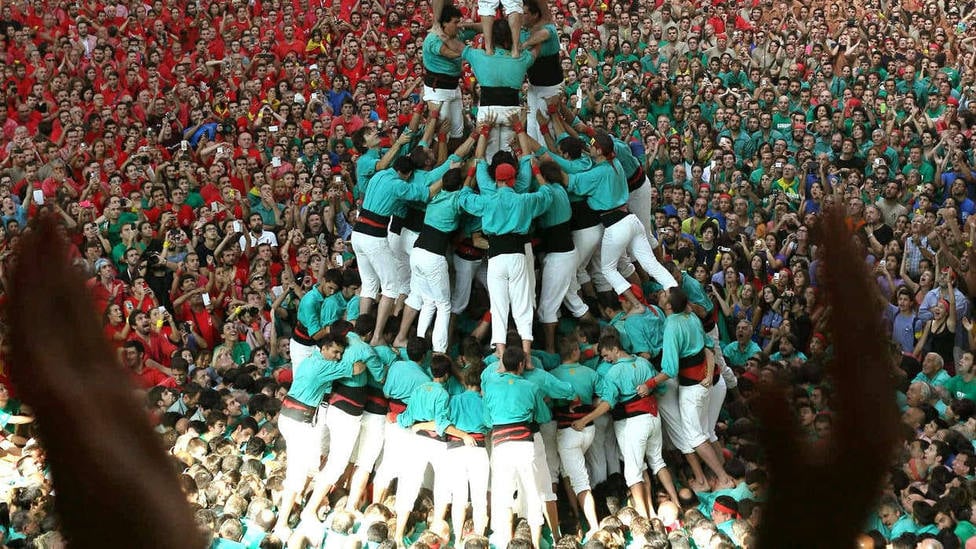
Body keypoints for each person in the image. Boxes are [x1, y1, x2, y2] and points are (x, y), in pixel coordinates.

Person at [482, 347, 549, 549]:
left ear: (503, 364)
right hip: (525, 444)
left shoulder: (491, 388)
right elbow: (544, 417)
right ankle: (536, 544)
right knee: (533, 492)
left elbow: (487, 420)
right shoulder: (530, 387)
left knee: (503, 493)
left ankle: (506, 541)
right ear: (521, 365)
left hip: (501, 445)